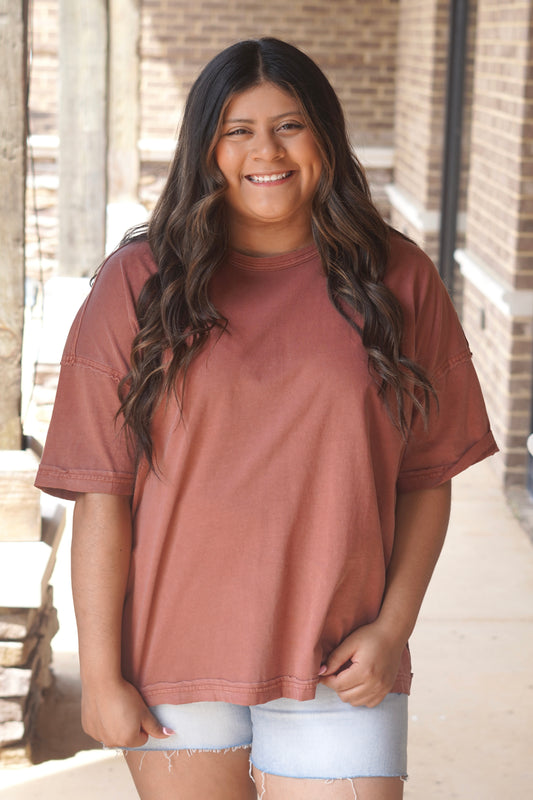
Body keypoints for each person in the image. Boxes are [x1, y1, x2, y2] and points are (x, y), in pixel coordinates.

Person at [35, 37, 497, 800]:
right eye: (237, 131)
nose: (266, 152)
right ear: (204, 149)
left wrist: (392, 630)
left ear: (324, 136)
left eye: (288, 126)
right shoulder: (138, 285)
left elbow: (426, 477)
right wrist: (101, 674)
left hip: (341, 659)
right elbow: (100, 493)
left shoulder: (398, 280)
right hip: (172, 657)